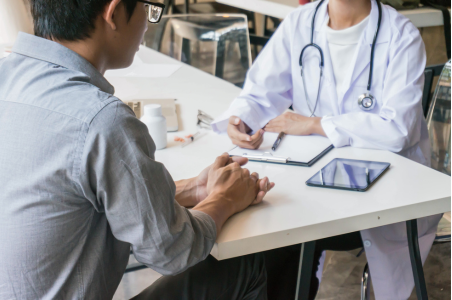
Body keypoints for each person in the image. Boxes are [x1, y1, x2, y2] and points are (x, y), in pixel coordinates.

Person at [0, 1, 276, 299]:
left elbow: (71, 202)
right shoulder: (101, 120)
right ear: (114, 12)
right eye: (147, 6)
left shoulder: (7, 77)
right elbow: (171, 251)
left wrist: (193, 188)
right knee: (243, 265)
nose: (148, 21)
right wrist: (225, 199)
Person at [211, 0, 442, 299]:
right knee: (265, 230)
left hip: (380, 195)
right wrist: (241, 120)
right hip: (313, 179)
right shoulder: (301, 22)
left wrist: (315, 124)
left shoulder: (401, 35)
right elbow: (259, 91)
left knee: (283, 236)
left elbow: (398, 130)